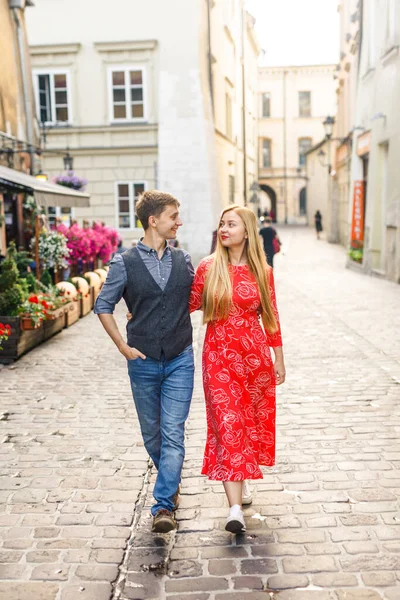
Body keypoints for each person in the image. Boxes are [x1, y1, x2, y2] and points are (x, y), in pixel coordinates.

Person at [94, 190, 195, 534]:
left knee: (173, 432)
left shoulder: (184, 260)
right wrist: (122, 346)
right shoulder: (124, 262)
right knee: (153, 435)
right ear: (154, 221)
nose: (178, 222)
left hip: (181, 357)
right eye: (173, 217)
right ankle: (170, 481)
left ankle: (163, 504)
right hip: (143, 361)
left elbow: (195, 299)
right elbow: (103, 306)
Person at [189, 205, 286, 534]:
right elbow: (185, 303)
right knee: (228, 422)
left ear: (247, 230)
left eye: (231, 224)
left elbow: (270, 317)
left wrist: (279, 359)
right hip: (218, 358)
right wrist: (142, 308)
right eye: (221, 224)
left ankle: (240, 483)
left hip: (254, 359)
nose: (224, 229)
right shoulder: (208, 267)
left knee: (248, 423)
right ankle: (233, 509)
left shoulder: (263, 272)